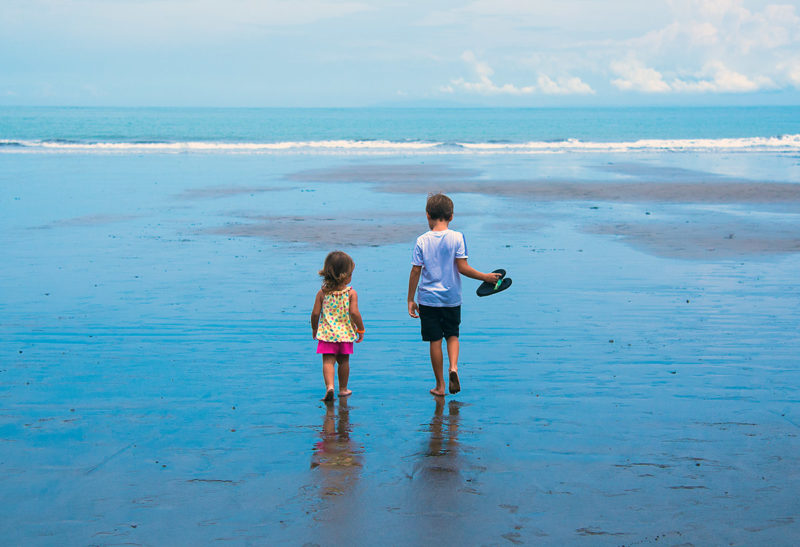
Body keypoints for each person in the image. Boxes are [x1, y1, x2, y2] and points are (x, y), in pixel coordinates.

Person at [407, 194, 500, 397]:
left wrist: (410, 299)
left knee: (434, 340)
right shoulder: (457, 237)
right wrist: (485, 276)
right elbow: (462, 267)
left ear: (427, 215)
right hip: (451, 298)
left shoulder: (422, 240)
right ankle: (454, 368)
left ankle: (440, 385)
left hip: (428, 299)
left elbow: (416, 271)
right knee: (452, 334)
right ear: (451, 216)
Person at [311, 251, 365, 402]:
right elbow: (354, 313)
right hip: (345, 334)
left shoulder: (322, 293)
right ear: (346, 275)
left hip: (327, 334)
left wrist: (315, 328)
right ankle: (343, 389)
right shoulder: (351, 293)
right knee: (344, 362)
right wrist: (360, 329)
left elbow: (315, 314)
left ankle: (329, 387)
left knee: (328, 361)